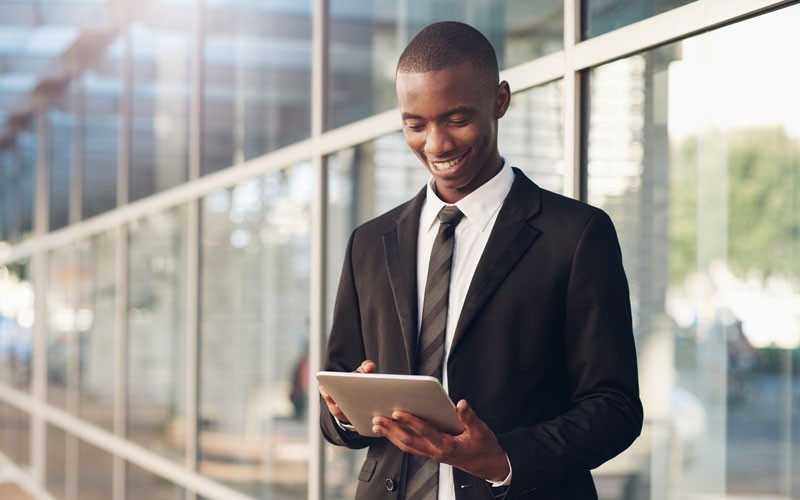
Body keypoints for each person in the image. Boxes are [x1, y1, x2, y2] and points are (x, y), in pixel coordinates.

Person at [319, 21, 643, 500]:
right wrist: (345, 413)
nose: (436, 144)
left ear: (500, 101)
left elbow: (614, 407)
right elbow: (336, 395)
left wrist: (502, 458)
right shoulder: (369, 242)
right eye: (416, 124)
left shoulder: (576, 235)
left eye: (456, 118)